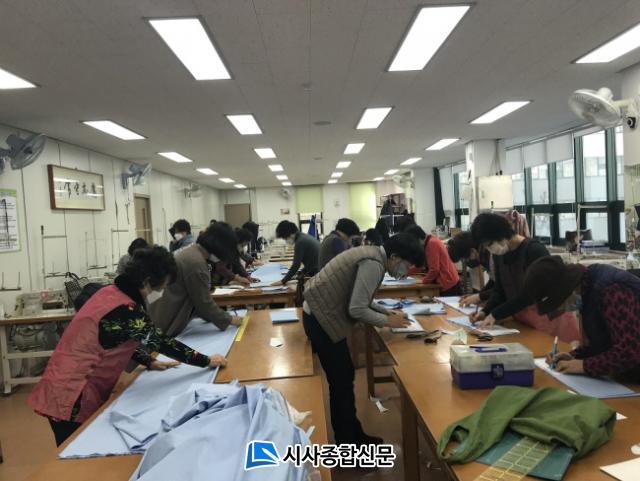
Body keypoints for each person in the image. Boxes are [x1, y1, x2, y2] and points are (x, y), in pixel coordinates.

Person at [28, 247, 228, 446]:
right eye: (160, 287)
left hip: (61, 384)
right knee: (76, 452)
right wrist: (206, 360)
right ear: (147, 281)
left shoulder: (109, 293)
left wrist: (148, 361)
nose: (160, 293)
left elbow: (118, 337)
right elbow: (162, 342)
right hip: (71, 394)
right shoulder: (126, 309)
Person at [303, 234, 424, 445]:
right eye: (406, 265)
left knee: (344, 377)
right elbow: (357, 308)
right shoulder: (374, 264)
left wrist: (385, 312)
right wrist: (387, 322)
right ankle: (347, 443)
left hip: (320, 315)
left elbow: (361, 298)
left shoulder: (373, 255)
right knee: (340, 382)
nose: (405, 271)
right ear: (394, 257)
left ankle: (353, 434)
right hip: (321, 319)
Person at [469, 213, 579, 342]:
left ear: (500, 234)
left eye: (489, 244)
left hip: (549, 317)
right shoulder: (499, 255)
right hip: (524, 318)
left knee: (554, 350)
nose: (490, 249)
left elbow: (530, 294)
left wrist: (496, 313)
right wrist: (485, 311)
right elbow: (500, 290)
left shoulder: (534, 250)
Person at [525, 256, 640, 378]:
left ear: (565, 291)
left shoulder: (611, 291)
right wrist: (575, 356)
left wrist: (584, 366)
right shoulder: (587, 288)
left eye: (559, 304)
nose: (562, 309)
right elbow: (603, 344)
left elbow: (630, 351)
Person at [149, 223, 243, 337]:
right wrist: (229, 319)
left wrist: (213, 317)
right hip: (164, 318)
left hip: (158, 311)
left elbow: (198, 299)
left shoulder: (193, 251)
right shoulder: (196, 263)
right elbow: (203, 303)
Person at [404, 225, 461, 295]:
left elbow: (434, 269)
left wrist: (423, 281)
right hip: (447, 281)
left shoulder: (432, 243)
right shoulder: (428, 242)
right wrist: (406, 273)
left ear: (418, 239)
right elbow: (421, 264)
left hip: (448, 283)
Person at [447, 231, 494, 306]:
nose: (466, 262)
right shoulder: (484, 256)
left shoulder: (492, 257)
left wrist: (479, 296)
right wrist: (477, 295)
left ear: (472, 251)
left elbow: (503, 287)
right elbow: (493, 281)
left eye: (465, 259)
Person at [272, 220, 320, 285]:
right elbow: (310, 262)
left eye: (285, 238)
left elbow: (296, 265)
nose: (286, 240)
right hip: (318, 271)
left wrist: (283, 281)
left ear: (290, 234)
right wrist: (299, 273)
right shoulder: (303, 237)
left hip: (317, 275)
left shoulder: (300, 242)